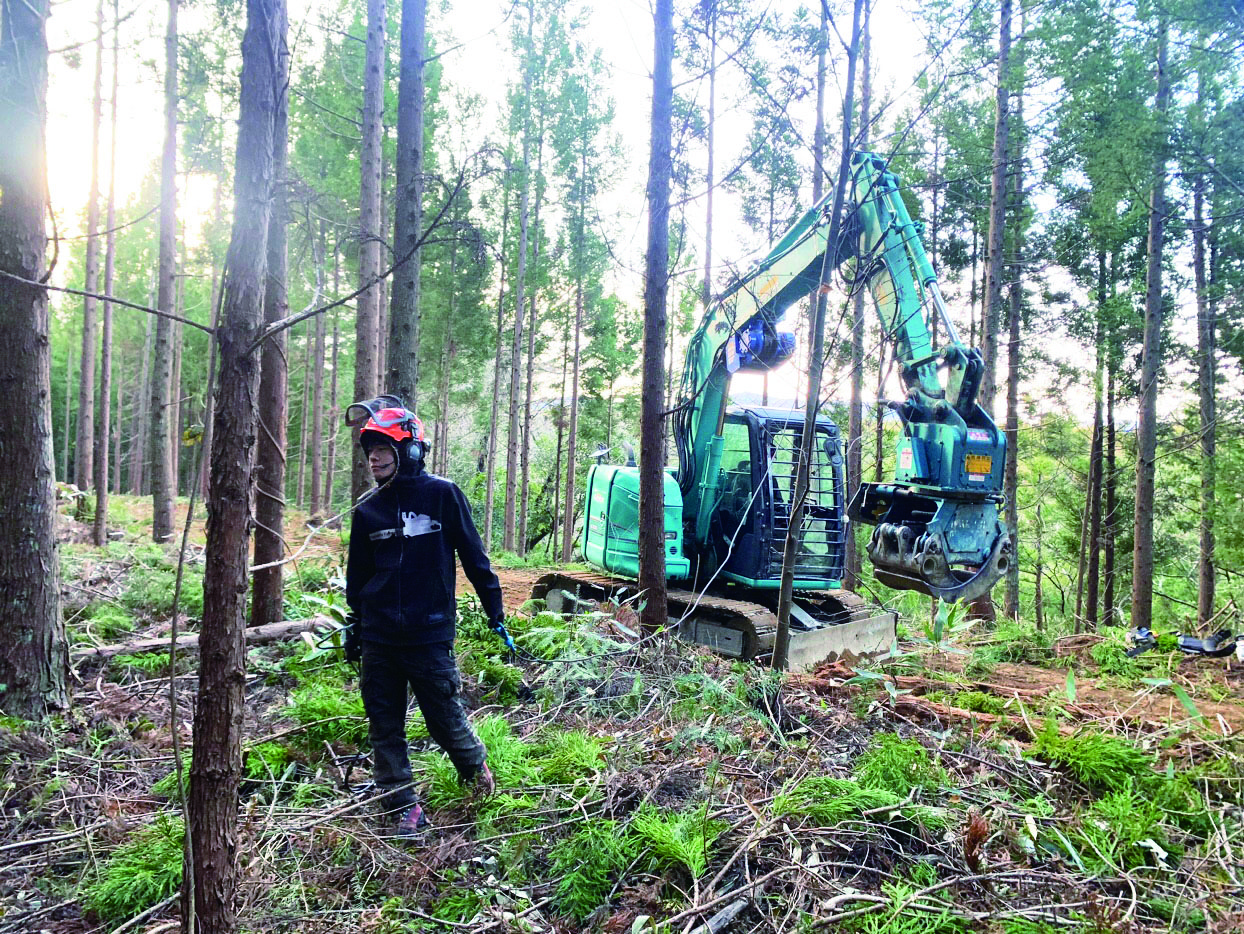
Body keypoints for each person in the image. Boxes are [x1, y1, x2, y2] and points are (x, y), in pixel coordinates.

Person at [343, 395, 503, 835]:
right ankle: (402, 806)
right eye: (368, 450)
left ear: (409, 450)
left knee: (443, 716)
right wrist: (354, 624)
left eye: (382, 449)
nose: (372, 458)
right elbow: (358, 576)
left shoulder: (443, 495)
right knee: (384, 721)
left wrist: (496, 614)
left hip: (428, 635)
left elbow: (475, 558)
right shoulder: (367, 508)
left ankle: (477, 774)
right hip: (379, 637)